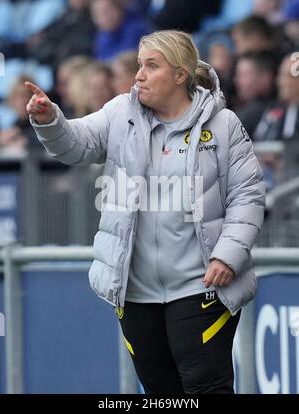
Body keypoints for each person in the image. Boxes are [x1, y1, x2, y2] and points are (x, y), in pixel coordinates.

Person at [25, 30, 265, 394]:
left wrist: (227, 256)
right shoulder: (121, 111)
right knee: (159, 392)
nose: (139, 75)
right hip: (136, 292)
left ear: (180, 75)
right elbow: (76, 145)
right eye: (139, 65)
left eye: (151, 66)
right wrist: (49, 120)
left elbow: (248, 195)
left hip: (201, 285)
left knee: (205, 387)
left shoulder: (224, 124)